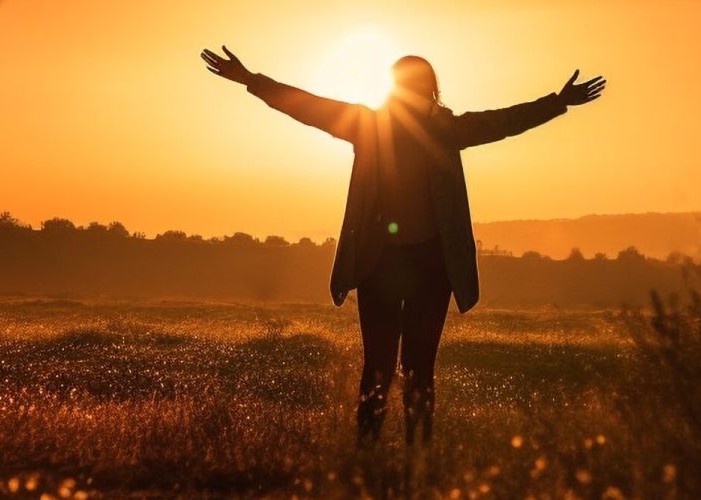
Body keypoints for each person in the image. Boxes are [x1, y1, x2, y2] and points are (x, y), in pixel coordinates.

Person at [201, 46, 605, 446]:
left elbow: (308, 106)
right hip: (394, 266)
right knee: (397, 367)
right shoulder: (406, 127)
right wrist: (251, 80)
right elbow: (307, 105)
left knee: (403, 367)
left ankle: (396, 455)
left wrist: (557, 103)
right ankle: (390, 453)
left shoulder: (409, 127)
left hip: (418, 267)